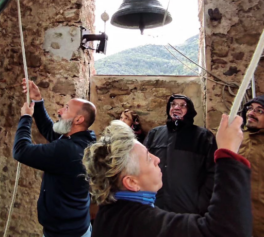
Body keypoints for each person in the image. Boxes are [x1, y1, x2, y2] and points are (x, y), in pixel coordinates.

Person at [82, 116, 252, 237]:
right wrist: (228, 154)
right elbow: (227, 231)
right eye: (149, 158)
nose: (157, 159)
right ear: (132, 182)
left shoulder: (111, 211)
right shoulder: (142, 224)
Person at [13, 79, 96, 237]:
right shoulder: (84, 139)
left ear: (78, 120)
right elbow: (51, 132)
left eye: (66, 108)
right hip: (76, 227)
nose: (59, 111)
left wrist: (25, 118)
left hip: (64, 233)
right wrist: (37, 99)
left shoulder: (68, 150)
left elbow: (21, 151)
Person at [143, 94, 217, 214]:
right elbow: (143, 165)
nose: (177, 107)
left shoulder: (203, 136)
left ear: (189, 111)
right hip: (157, 206)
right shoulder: (155, 134)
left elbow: (213, 172)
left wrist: (202, 203)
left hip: (189, 209)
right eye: (173, 104)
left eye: (183, 105)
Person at [239, 95, 264, 237]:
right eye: (250, 108)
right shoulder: (238, 139)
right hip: (238, 218)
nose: (251, 113)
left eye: (259, 110)